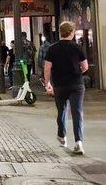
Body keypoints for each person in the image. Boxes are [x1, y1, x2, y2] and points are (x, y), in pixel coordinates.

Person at [44, 21, 88, 155]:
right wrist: (76, 71)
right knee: (77, 112)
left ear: (60, 32)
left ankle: (62, 136)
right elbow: (85, 67)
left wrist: (47, 83)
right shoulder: (77, 48)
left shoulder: (52, 49)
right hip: (76, 85)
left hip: (59, 85)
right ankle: (79, 142)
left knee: (61, 110)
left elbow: (47, 68)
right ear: (71, 32)